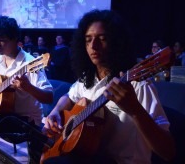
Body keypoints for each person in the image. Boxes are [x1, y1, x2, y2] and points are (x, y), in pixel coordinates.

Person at [42, 9, 175, 163]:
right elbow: (68, 96)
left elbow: (168, 151)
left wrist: (135, 110)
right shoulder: (87, 79)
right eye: (88, 40)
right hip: (91, 157)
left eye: (102, 38)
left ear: (116, 42)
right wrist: (56, 111)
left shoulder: (138, 85)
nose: (94, 46)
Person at [0, 15, 53, 164]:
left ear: (15, 39)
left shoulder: (30, 63)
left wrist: (28, 87)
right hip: (5, 113)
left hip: (26, 121)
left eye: (2, 40)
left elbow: (49, 97)